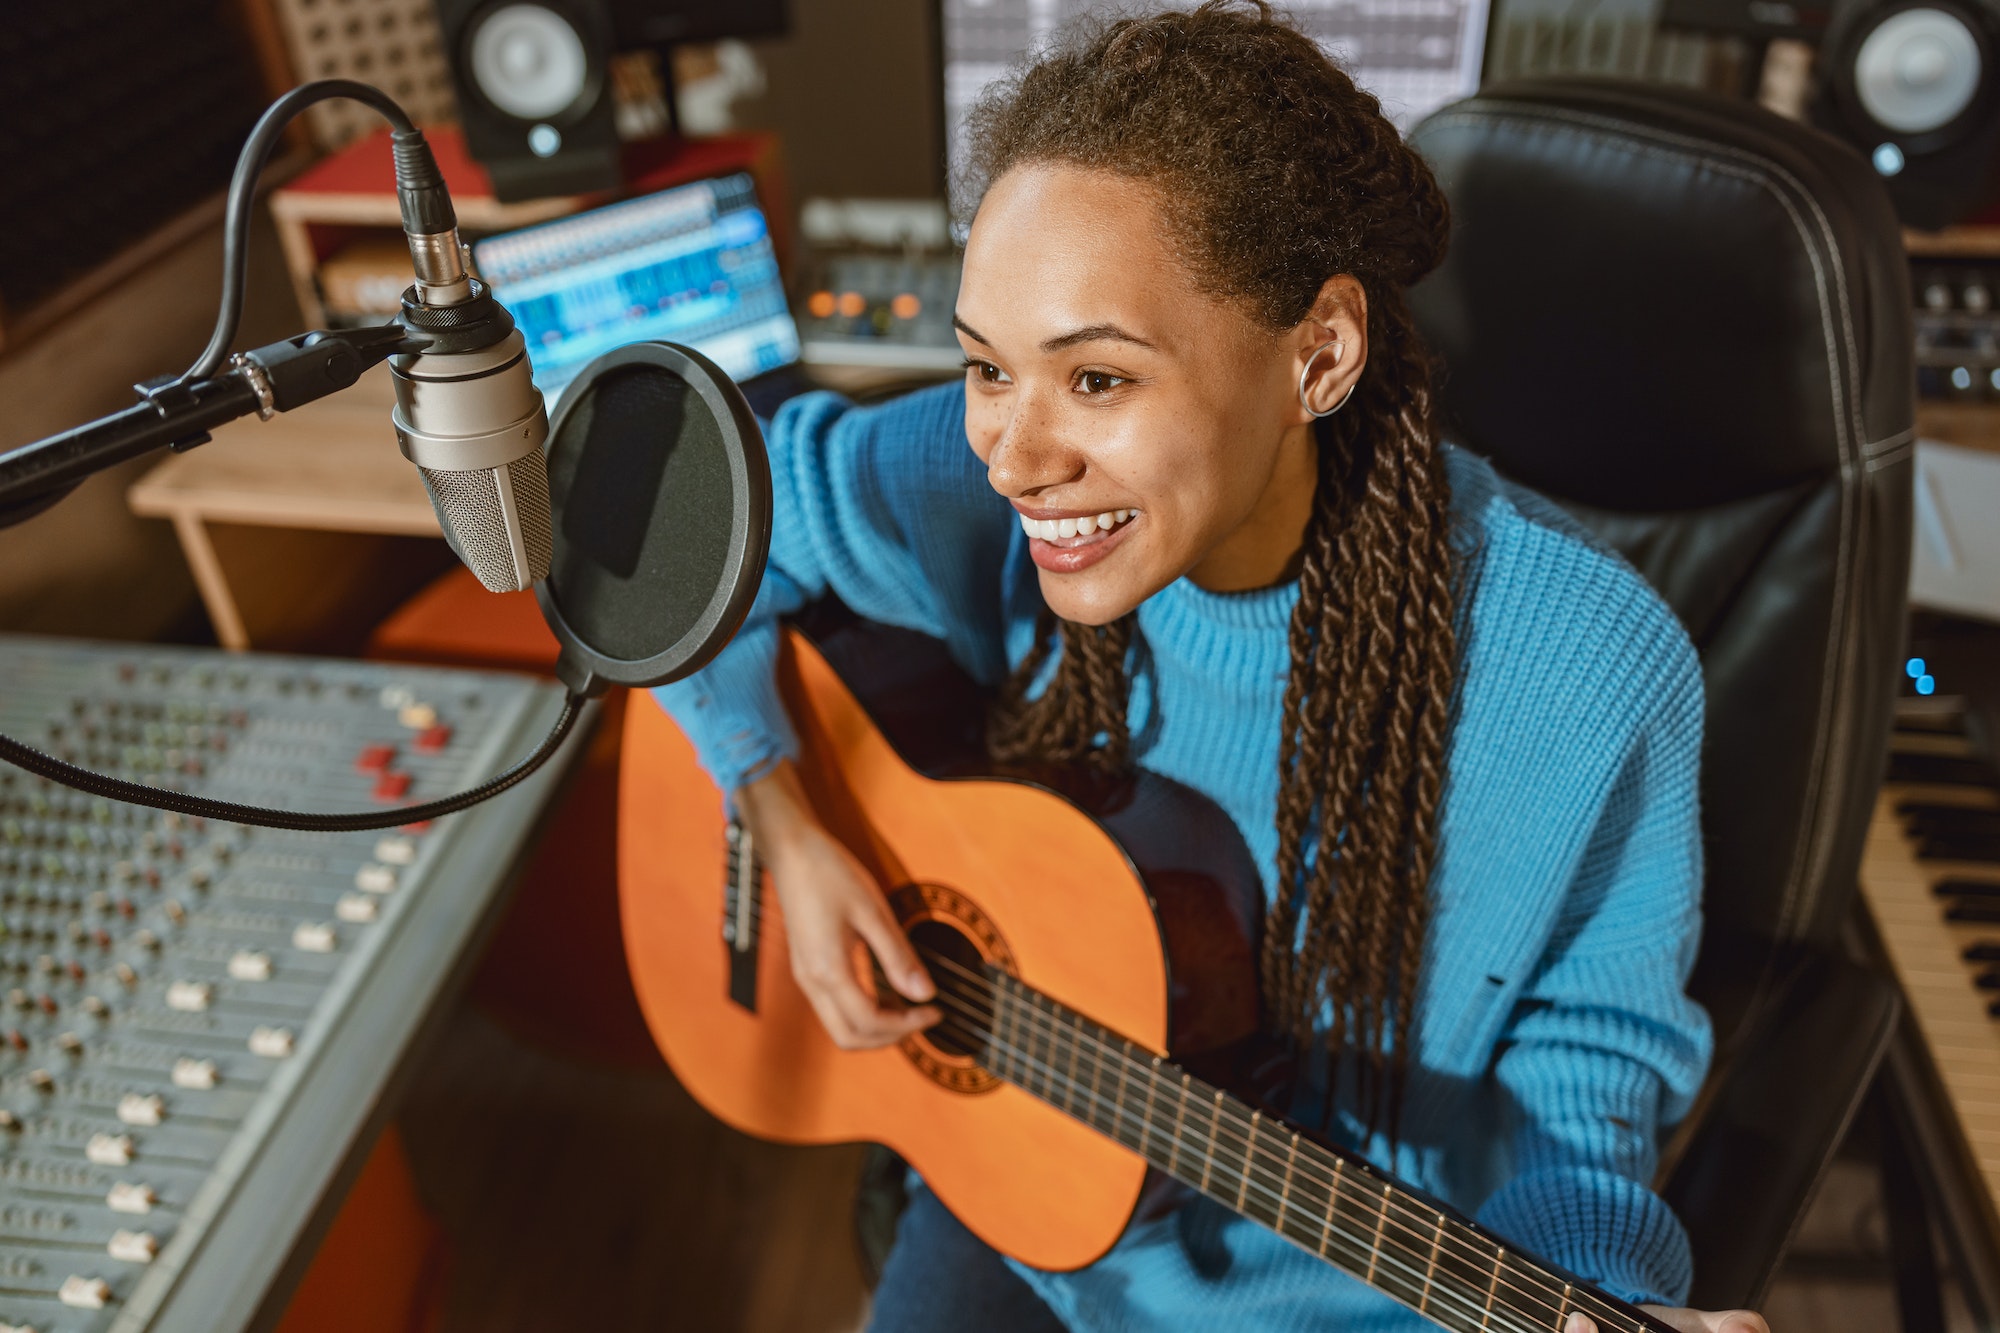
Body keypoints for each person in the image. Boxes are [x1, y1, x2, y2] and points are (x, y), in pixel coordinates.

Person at [655, 5, 1768, 1330]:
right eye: (985, 367)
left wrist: (1599, 1297)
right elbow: (669, 544)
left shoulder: (1586, 665)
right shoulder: (979, 486)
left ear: (1321, 353)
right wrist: (779, 809)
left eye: (1099, 380)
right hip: (1028, 1199)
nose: (1014, 455)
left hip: (1361, 1292)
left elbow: (1583, 1090)